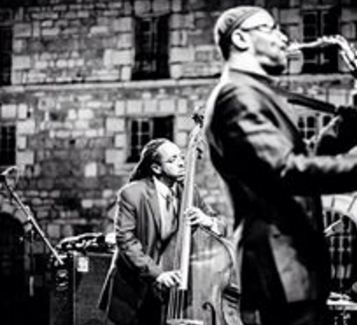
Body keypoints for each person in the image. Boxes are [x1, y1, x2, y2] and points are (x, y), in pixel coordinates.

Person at [204, 5, 357, 325]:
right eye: (271, 28)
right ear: (242, 39)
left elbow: (306, 154)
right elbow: (285, 172)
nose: (283, 38)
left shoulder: (252, 93)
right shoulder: (237, 95)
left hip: (287, 271)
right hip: (278, 269)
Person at [98, 138, 226, 325]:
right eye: (173, 160)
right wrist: (158, 274)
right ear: (156, 168)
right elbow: (126, 241)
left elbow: (222, 225)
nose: (182, 163)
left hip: (173, 289)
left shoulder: (189, 191)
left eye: (181, 157)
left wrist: (208, 221)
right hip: (136, 287)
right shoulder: (132, 194)